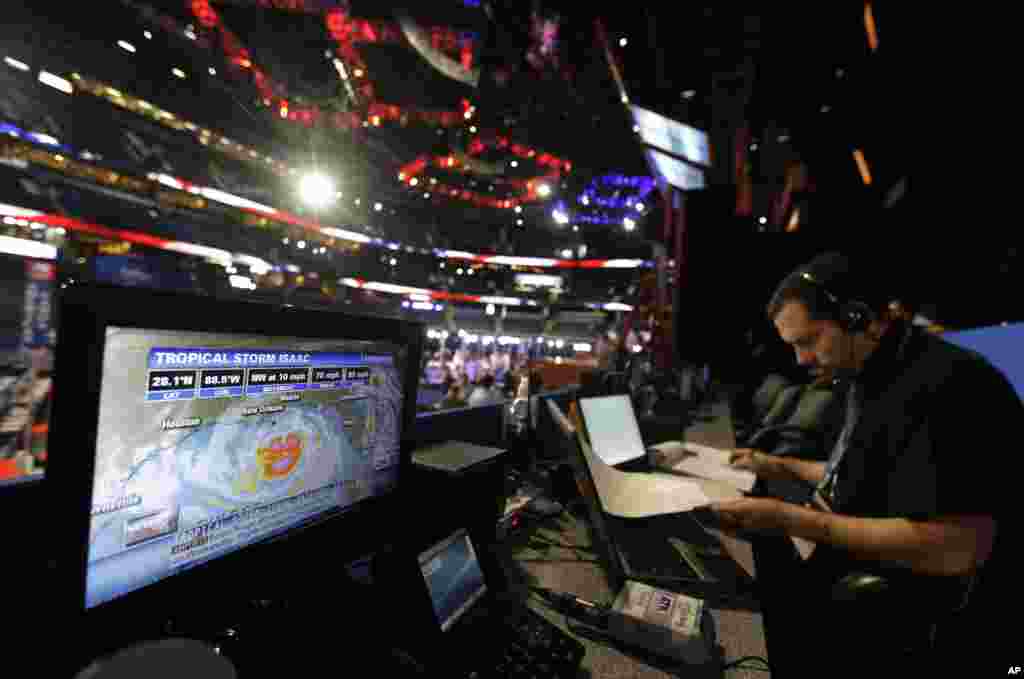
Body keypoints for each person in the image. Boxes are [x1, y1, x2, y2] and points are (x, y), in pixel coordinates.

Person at [707, 252, 1020, 674]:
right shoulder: (867, 374)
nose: (800, 360)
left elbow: (957, 548)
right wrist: (777, 467)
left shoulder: (949, 384)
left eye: (808, 341)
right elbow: (863, 474)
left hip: (925, 626)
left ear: (858, 317)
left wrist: (788, 518)